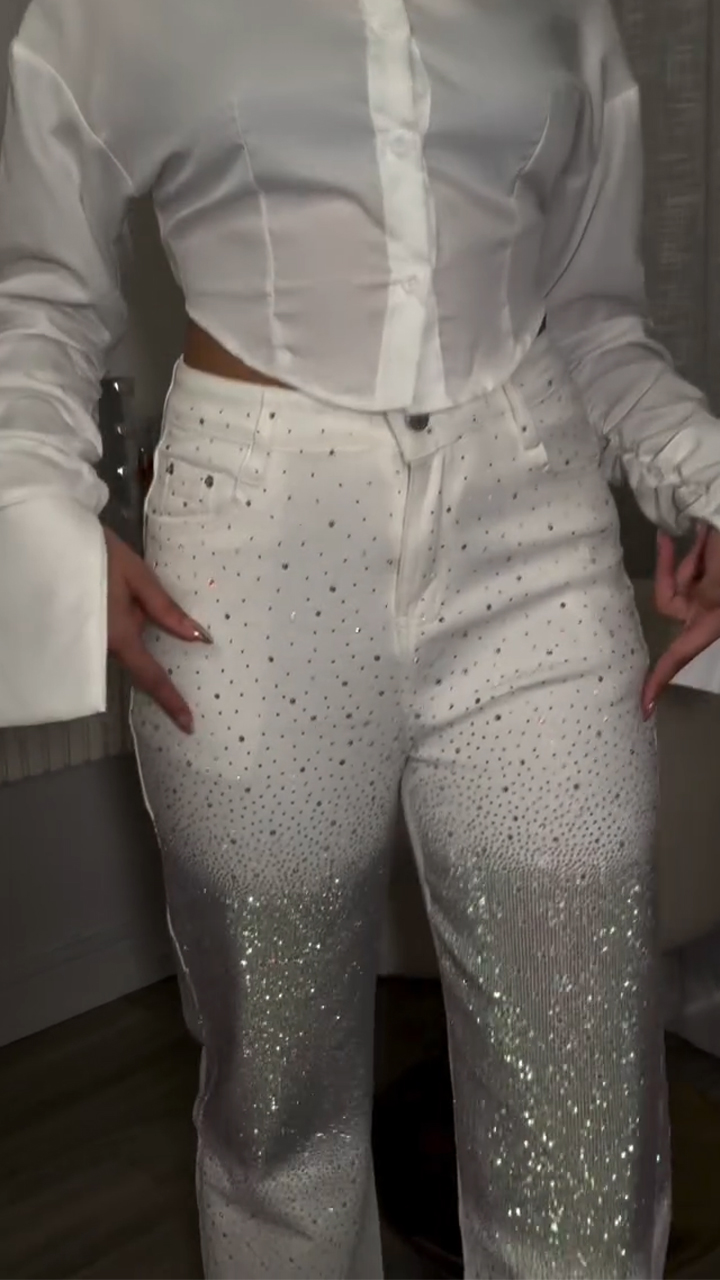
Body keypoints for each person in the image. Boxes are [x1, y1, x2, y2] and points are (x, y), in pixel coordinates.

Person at [2, 2, 720, 1276]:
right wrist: (37, 513)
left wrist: (708, 479)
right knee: (280, 1110)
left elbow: (597, 320)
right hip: (254, 542)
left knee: (584, 1113)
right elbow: (34, 296)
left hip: (537, 527)